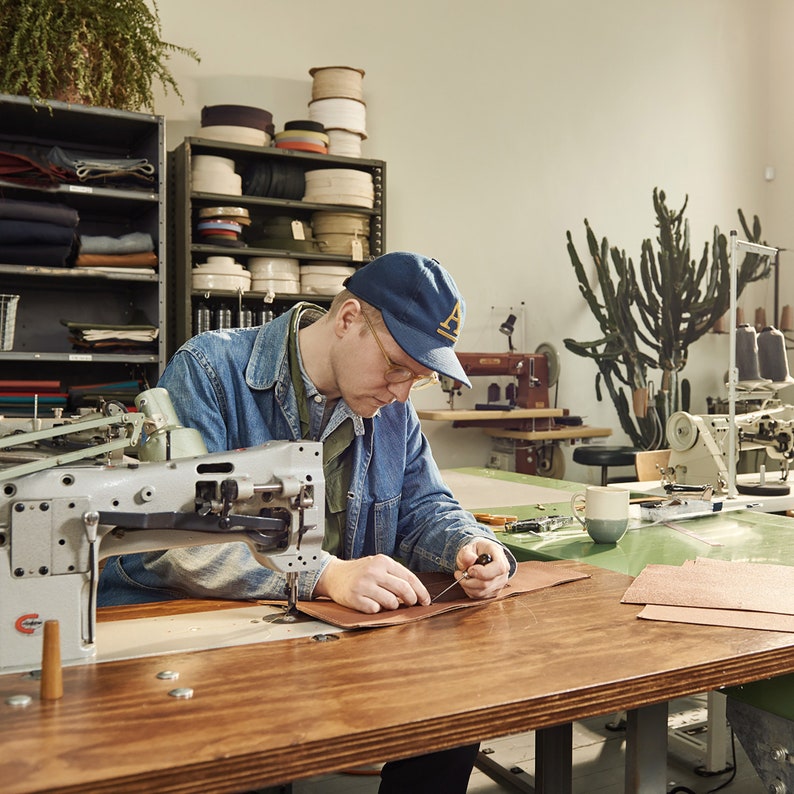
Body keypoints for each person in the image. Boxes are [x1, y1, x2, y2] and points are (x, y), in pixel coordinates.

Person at [98, 250, 517, 793]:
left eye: (419, 378)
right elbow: (170, 537)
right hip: (205, 636)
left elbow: (423, 507)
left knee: (453, 711)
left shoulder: (390, 407)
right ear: (347, 320)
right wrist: (323, 575)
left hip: (330, 633)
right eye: (396, 366)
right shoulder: (210, 370)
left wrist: (468, 544)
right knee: (249, 755)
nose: (401, 391)